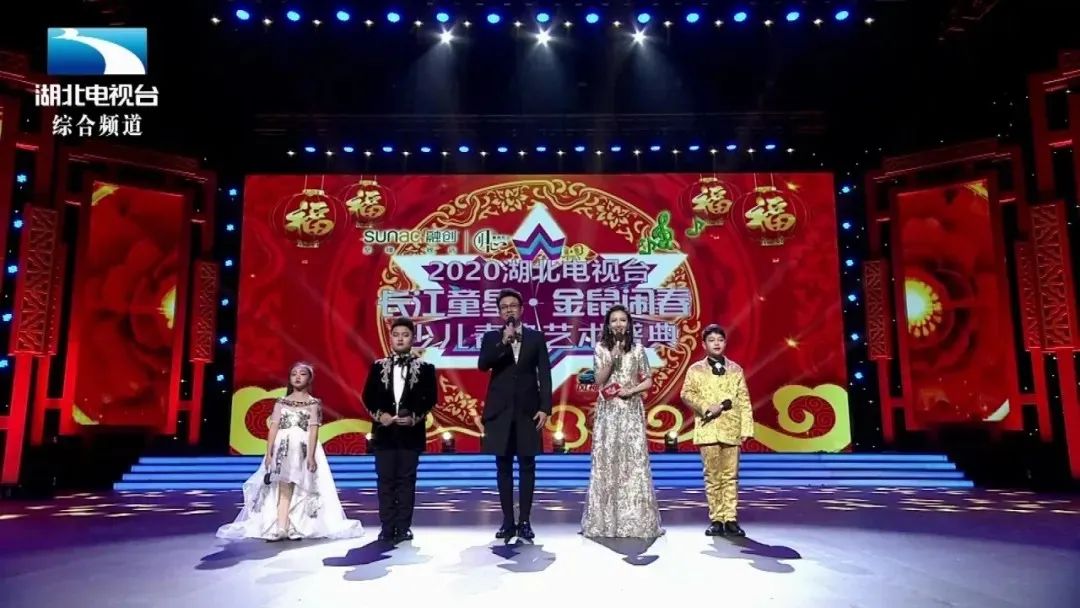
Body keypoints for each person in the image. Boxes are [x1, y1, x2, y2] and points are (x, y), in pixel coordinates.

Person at [217, 363, 364, 541]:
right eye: (294, 374)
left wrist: (311, 456)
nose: (297, 377)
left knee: (303, 487)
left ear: (309, 379)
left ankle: (297, 526)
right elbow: (274, 428)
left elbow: (313, 430)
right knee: (283, 485)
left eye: (302, 374)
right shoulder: (281, 402)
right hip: (283, 448)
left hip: (303, 448)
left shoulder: (314, 403)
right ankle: (281, 527)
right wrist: (269, 452)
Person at [581, 305, 664, 539]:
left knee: (633, 461)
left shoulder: (638, 349)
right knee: (608, 460)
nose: (618, 324)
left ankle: (635, 520)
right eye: (614, 320)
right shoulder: (600, 349)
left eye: (622, 320)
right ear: (608, 325)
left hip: (630, 409)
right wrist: (612, 359)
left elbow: (648, 380)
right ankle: (606, 521)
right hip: (608, 410)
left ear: (628, 324)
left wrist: (632, 390)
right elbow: (598, 380)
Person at [475, 288, 552, 540]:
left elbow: (544, 374)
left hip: (528, 412)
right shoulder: (491, 338)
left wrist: (545, 408)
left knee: (528, 465)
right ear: (500, 312)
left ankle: (525, 521)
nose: (509, 309)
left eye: (513, 305)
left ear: (521, 309)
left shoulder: (536, 337)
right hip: (500, 412)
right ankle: (508, 521)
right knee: (503, 465)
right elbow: (483, 364)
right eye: (504, 307)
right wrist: (503, 342)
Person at [362, 317, 438, 543]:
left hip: (410, 435)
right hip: (384, 434)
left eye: (405, 335)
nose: (400, 339)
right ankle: (387, 526)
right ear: (390, 339)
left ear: (412, 338)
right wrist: (381, 416)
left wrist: (414, 417)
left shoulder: (425, 368)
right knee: (385, 481)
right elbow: (367, 397)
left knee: (406, 481)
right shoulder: (378, 366)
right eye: (396, 335)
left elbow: (431, 398)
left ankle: (403, 527)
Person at [679, 325, 754, 537]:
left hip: (731, 427)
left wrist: (746, 427)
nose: (716, 343)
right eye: (711, 340)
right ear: (704, 345)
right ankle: (716, 519)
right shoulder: (695, 370)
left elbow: (744, 399)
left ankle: (730, 518)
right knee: (712, 476)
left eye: (720, 340)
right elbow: (686, 393)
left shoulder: (736, 369)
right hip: (708, 427)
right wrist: (705, 406)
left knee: (731, 476)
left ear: (725, 343)